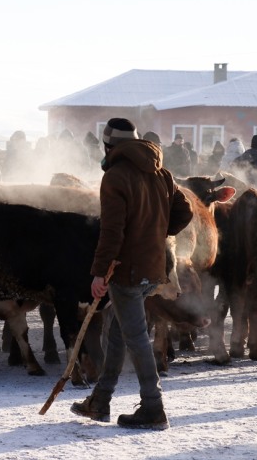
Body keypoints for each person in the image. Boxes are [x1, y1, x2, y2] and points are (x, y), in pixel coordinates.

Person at [70, 117, 193, 430]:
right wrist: (155, 235)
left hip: (126, 271)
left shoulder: (115, 176)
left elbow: (111, 232)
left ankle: (153, 407)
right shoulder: (161, 173)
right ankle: (100, 402)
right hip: (152, 267)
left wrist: (99, 273)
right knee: (117, 332)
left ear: (109, 145)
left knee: (136, 337)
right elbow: (185, 211)